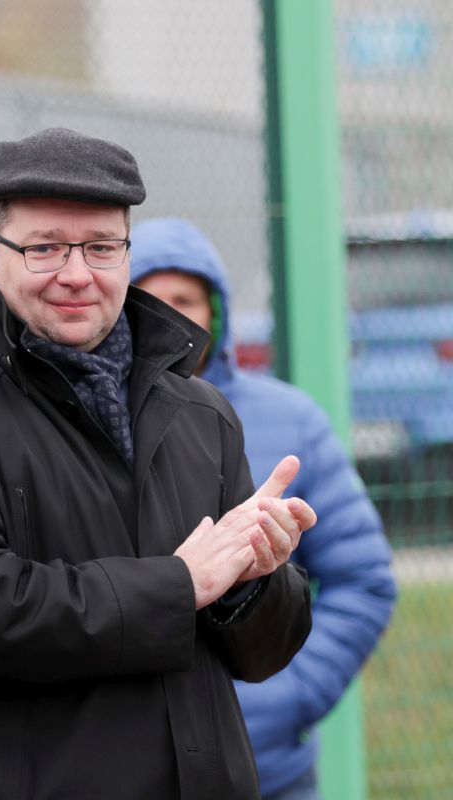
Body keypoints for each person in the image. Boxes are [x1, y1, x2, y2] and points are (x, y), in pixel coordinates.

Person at [0, 127, 318, 799]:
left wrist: (252, 583)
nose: (77, 274)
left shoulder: (201, 412)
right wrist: (179, 585)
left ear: (127, 253)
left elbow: (262, 656)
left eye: (102, 247)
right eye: (45, 247)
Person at [130, 217, 397, 800]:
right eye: (148, 299)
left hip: (269, 772)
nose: (168, 315)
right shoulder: (91, 425)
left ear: (216, 313)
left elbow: (363, 578)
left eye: (185, 300)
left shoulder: (291, 420)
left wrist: (291, 693)